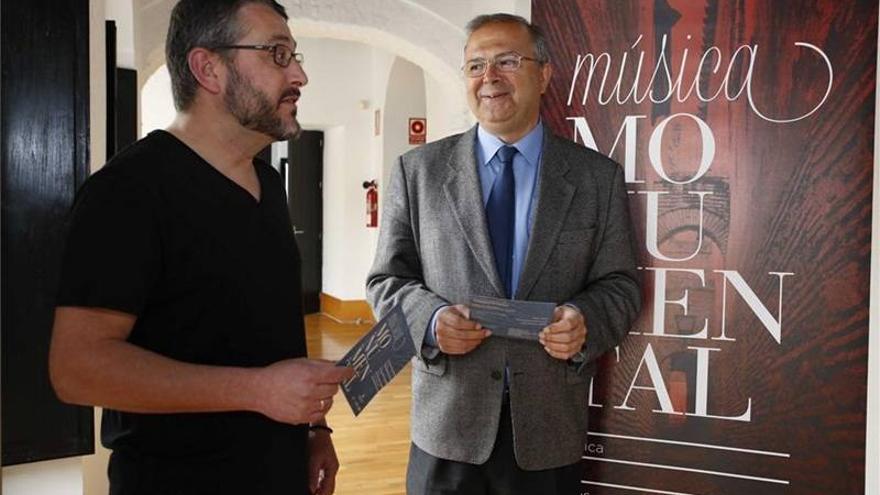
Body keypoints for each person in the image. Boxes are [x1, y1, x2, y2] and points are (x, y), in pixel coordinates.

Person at [48, 1, 353, 494]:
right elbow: (76, 369)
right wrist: (258, 391)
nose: (298, 74)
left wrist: (314, 430)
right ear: (208, 68)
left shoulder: (269, 185)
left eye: (295, 55)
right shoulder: (128, 192)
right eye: (277, 53)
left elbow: (273, 336)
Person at [367, 13, 642, 495]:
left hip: (548, 428)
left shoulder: (597, 178)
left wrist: (585, 321)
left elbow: (620, 283)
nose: (489, 78)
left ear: (544, 75)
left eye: (507, 61)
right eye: (475, 66)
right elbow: (385, 282)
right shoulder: (418, 172)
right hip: (447, 426)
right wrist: (431, 321)